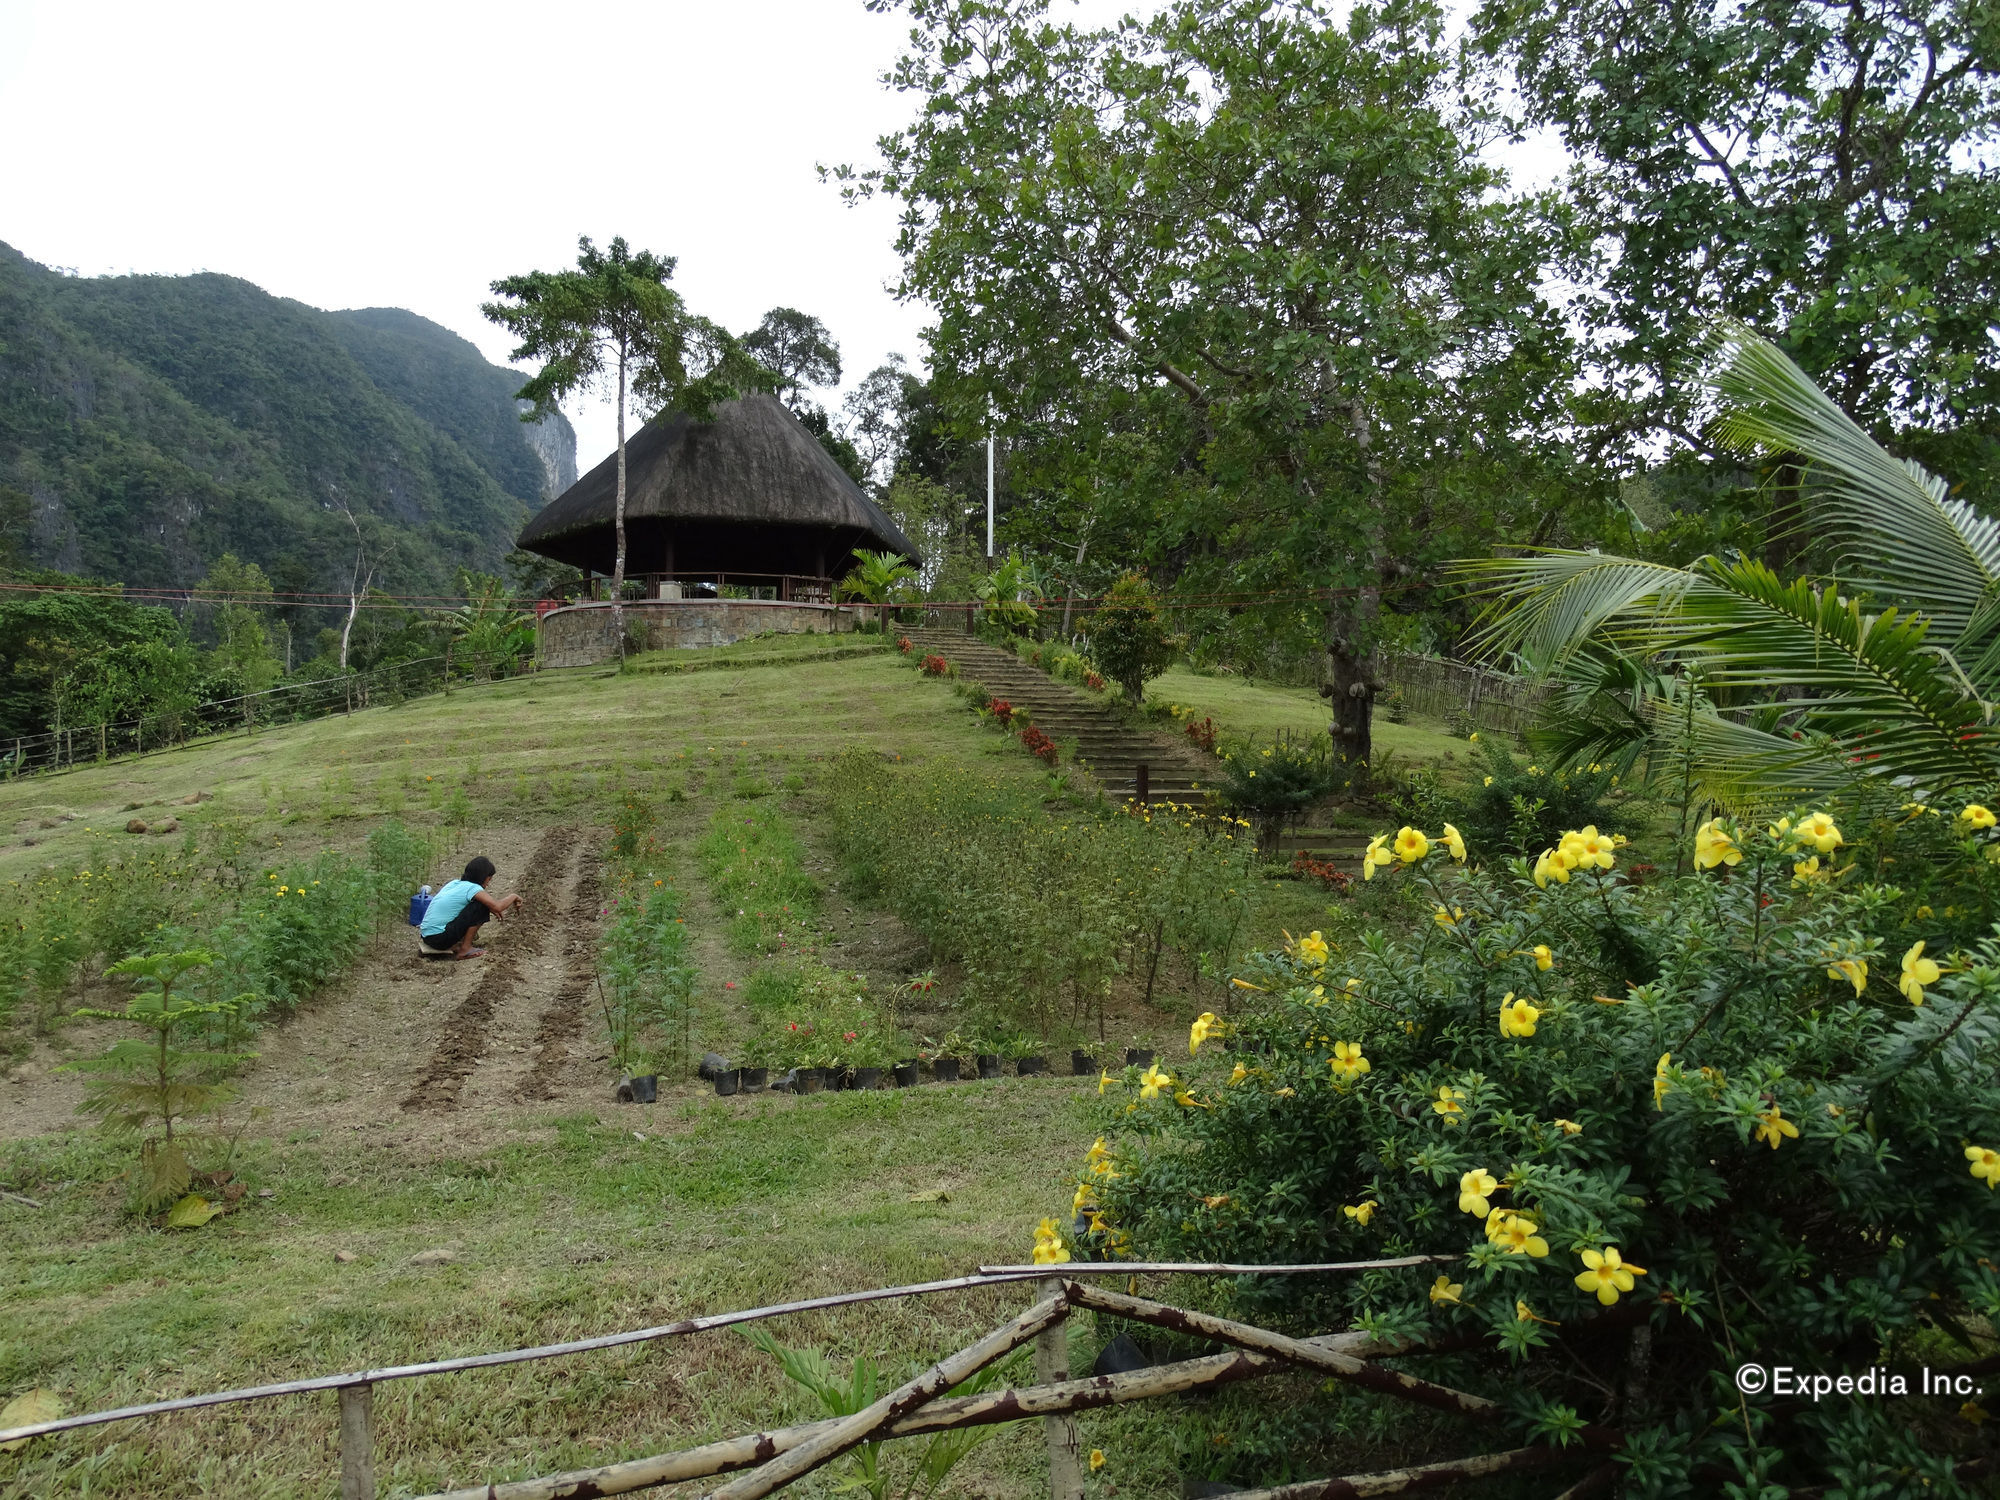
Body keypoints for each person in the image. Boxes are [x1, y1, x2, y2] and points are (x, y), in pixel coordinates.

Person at [418, 856, 524, 960]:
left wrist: (491, 907)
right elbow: (498, 907)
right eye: (489, 880)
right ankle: (465, 948)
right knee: (481, 905)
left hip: (427, 936)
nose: (488, 884)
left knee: (481, 904)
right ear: (483, 877)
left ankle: (459, 942)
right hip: (439, 939)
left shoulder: (454, 883)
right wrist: (513, 896)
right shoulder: (473, 888)